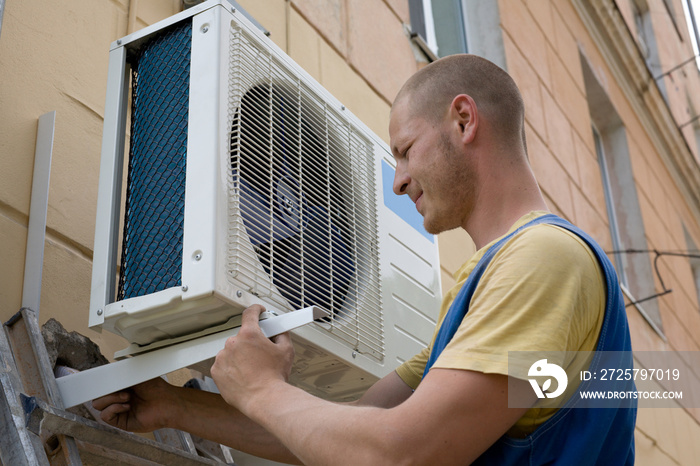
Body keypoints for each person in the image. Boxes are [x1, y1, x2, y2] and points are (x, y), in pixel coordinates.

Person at [93, 54, 636, 465]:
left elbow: (401, 453)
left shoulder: (544, 260)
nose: (397, 181)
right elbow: (356, 432)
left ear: (464, 120)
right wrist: (174, 407)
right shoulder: (487, 286)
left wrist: (262, 389)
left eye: (405, 150)